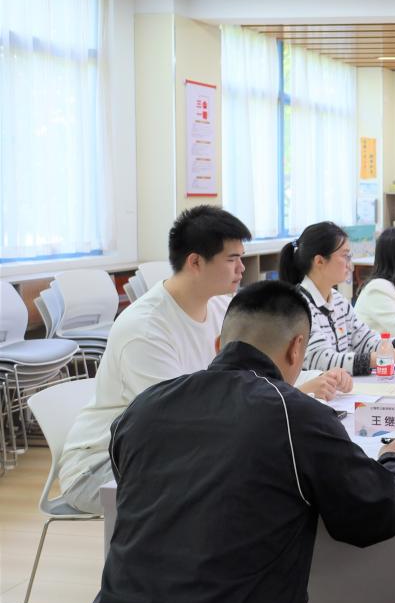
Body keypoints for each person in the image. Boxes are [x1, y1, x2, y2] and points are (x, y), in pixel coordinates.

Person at [93, 281, 395, 603]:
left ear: (218, 345)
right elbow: (374, 514)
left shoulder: (143, 408)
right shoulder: (293, 414)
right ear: (296, 348)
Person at [59, 206, 254, 515]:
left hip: (163, 450)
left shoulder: (221, 306)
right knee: (227, 484)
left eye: (241, 258)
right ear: (195, 262)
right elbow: (176, 420)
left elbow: (243, 376)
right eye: (232, 259)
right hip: (99, 467)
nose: (241, 268)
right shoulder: (145, 328)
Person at [279, 221, 395, 375]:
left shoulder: (338, 300)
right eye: (345, 256)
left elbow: (365, 340)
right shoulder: (299, 306)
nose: (351, 265)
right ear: (319, 261)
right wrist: (383, 357)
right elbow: (322, 361)